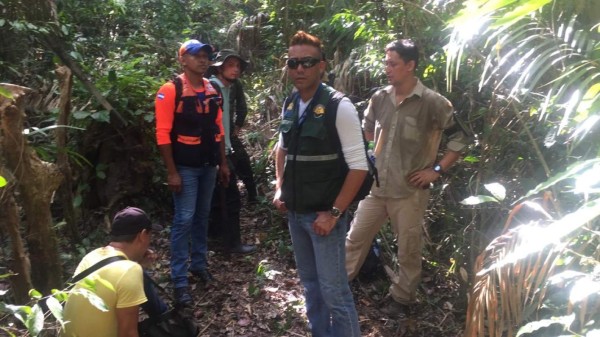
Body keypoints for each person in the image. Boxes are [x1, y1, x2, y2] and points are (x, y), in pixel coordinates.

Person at [345, 39, 470, 318]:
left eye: (393, 63)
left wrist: (435, 171)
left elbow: (461, 138)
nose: (387, 68)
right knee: (355, 237)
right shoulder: (379, 98)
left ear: (410, 66)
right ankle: (339, 286)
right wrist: (369, 157)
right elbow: (366, 132)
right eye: (385, 62)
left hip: (410, 191)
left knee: (408, 250)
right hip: (377, 188)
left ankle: (402, 300)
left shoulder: (433, 103)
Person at [273, 31, 367, 337]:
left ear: (322, 66)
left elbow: (359, 167)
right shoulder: (290, 103)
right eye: (293, 62)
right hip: (296, 214)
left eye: (307, 62)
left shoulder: (339, 106)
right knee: (311, 285)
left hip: (324, 217)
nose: (299, 69)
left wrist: (334, 213)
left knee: (334, 292)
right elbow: (281, 148)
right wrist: (279, 186)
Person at [155, 39, 230, 305]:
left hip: (208, 165)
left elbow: (219, 129)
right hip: (185, 167)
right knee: (184, 219)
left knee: (202, 216)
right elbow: (163, 134)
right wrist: (172, 172)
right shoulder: (170, 90)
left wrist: (223, 163)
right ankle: (179, 279)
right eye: (196, 55)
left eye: (206, 56)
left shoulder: (212, 90)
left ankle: (199, 264)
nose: (203, 60)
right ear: (183, 60)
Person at [62, 207, 165, 337]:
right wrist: (136, 267)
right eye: (150, 235)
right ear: (143, 235)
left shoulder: (92, 256)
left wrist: (137, 263)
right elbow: (127, 334)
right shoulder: (129, 271)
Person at [207, 49, 256, 254]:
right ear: (219, 68)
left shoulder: (226, 88)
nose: (235, 70)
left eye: (238, 66)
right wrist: (221, 158)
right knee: (231, 198)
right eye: (230, 65)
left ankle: (217, 238)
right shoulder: (214, 89)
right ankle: (231, 244)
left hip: (222, 149)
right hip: (216, 153)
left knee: (219, 196)